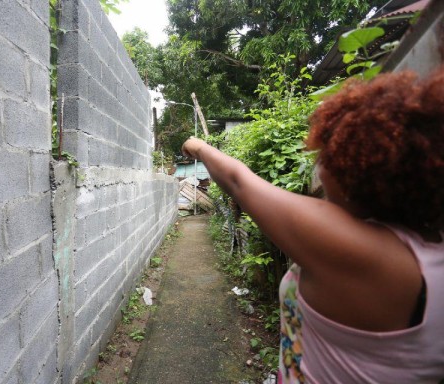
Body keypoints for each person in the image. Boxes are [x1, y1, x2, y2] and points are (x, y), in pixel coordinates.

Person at [181, 67, 444, 383]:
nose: (319, 166)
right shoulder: (429, 253)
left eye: (328, 154)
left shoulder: (360, 252)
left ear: (358, 166)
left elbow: (239, 182)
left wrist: (197, 146)